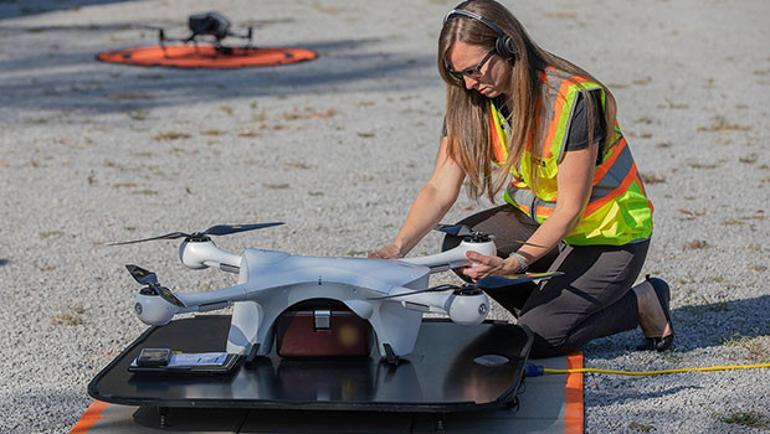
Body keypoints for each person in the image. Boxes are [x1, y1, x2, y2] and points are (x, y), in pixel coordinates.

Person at [369, 0, 674, 357]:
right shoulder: (472, 101)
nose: (469, 83)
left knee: (536, 339)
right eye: (458, 75)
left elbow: (570, 210)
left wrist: (515, 263)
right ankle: (553, 311)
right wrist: (398, 247)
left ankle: (641, 301)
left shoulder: (573, 100)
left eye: (475, 70)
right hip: (545, 227)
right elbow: (440, 186)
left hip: (608, 236)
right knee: (461, 247)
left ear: (509, 47)